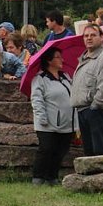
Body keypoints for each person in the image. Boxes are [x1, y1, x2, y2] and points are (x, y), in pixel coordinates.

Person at [29, 46, 75, 185]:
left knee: (61, 150)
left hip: (67, 122)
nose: (62, 59)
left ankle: (52, 176)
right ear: (49, 60)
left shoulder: (65, 76)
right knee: (46, 149)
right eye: (58, 57)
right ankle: (38, 176)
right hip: (47, 123)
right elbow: (37, 99)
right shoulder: (40, 78)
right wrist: (41, 117)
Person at [70, 24, 103, 156]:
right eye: (86, 36)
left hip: (96, 110)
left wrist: (95, 106)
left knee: (99, 151)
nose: (89, 38)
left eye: (93, 35)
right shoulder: (84, 59)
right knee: (89, 152)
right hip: (82, 110)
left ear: (102, 38)